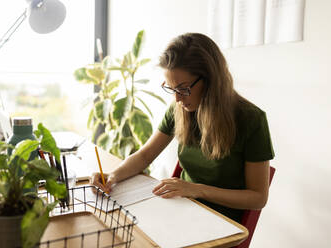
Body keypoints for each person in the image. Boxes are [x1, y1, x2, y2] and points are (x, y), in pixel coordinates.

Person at [90, 33, 274, 222]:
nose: (177, 99)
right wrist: (112, 176)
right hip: (182, 209)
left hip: (220, 222)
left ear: (210, 80)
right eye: (171, 88)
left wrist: (196, 190)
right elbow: (145, 155)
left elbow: (258, 198)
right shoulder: (180, 109)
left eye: (183, 88)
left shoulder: (251, 120)